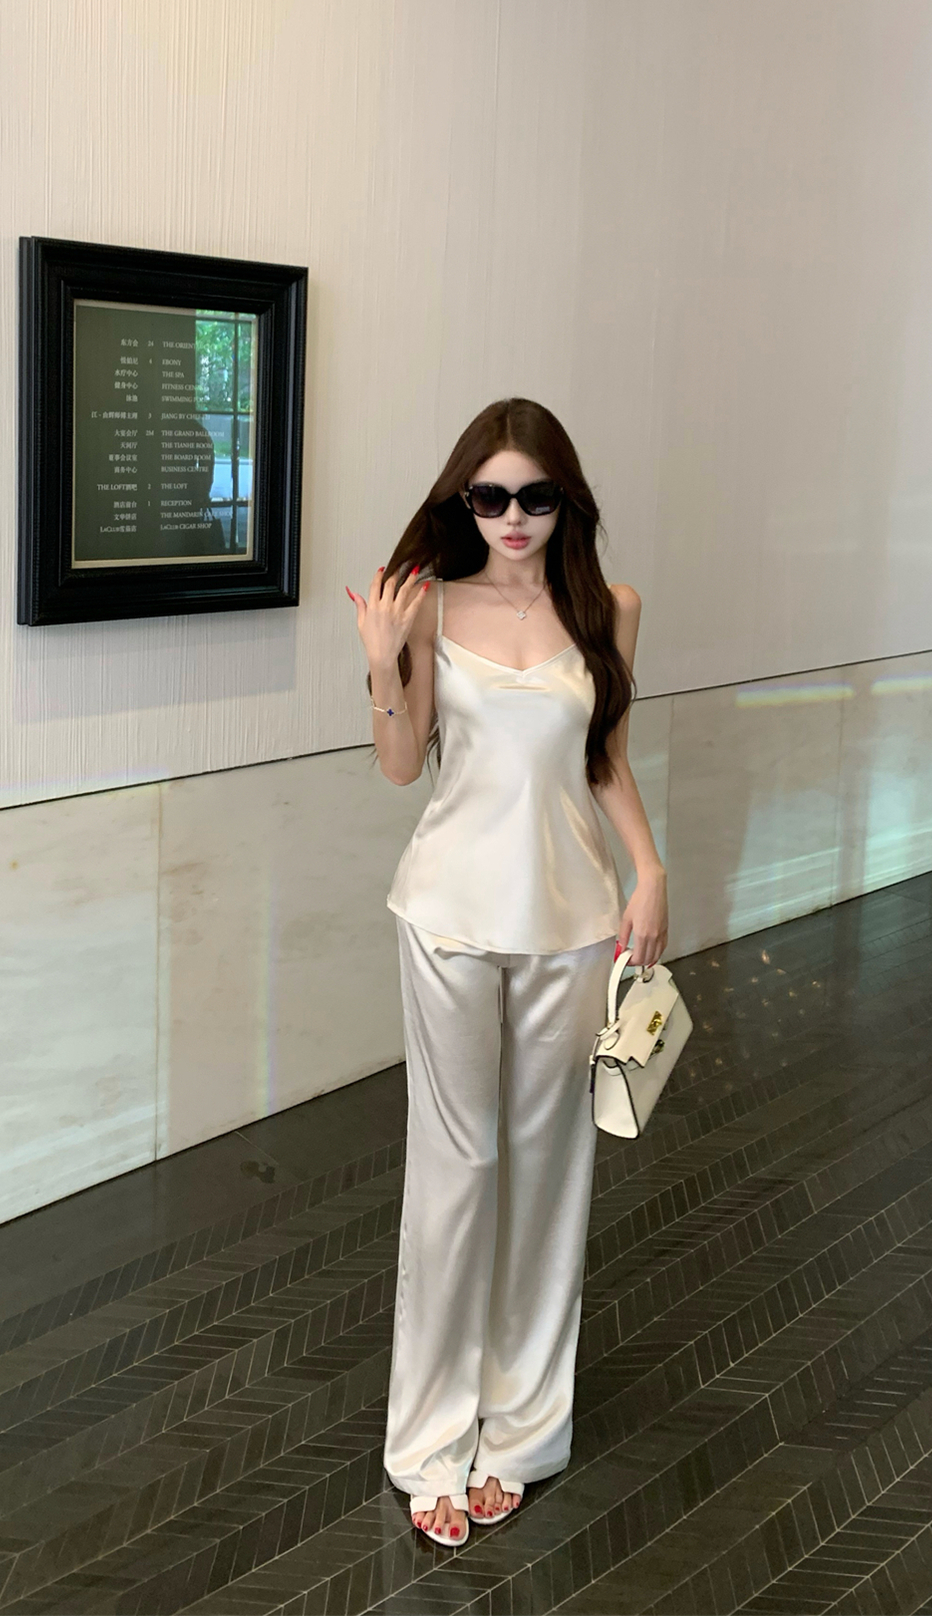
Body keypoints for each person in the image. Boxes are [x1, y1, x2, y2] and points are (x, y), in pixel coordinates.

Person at [345, 397, 669, 1548]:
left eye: (534, 495)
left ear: (565, 499)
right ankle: (429, 1438)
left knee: (549, 1168)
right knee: (457, 1167)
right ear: (464, 500)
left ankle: (523, 1430)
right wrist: (383, 665)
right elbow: (400, 766)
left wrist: (650, 869)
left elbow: (603, 757)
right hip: (447, 914)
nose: (513, 516)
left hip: (574, 918)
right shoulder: (431, 604)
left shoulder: (610, 609)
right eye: (490, 495)